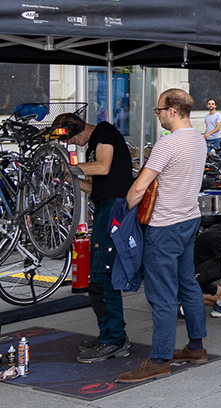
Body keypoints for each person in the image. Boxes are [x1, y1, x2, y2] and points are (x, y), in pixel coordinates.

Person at [117, 89, 209, 383]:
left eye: (158, 111)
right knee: (188, 286)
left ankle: (159, 360)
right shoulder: (198, 139)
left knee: (161, 295)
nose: (157, 116)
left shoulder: (166, 144)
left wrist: (121, 219)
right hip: (189, 220)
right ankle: (196, 347)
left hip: (164, 226)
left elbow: (139, 187)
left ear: (172, 110)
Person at [52, 113, 133, 363]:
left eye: (71, 137)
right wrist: (71, 178)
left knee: (104, 275)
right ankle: (108, 334)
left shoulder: (104, 131)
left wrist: (71, 167)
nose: (73, 143)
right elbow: (95, 185)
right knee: (97, 278)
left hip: (112, 210)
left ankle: (114, 339)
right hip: (103, 206)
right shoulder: (92, 147)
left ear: (75, 127)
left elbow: (103, 166)